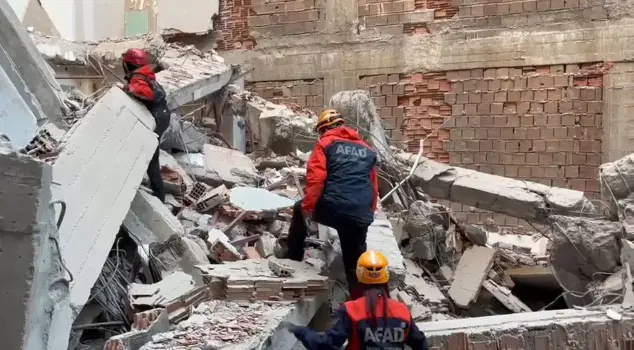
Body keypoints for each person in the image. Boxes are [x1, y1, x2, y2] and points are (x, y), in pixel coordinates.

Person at [286, 109, 379, 300]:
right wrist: (368, 213)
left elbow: (317, 178)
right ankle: (360, 304)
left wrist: (308, 208)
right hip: (360, 212)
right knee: (355, 262)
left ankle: (292, 258)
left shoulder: (325, 143)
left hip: (333, 207)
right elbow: (373, 186)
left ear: (325, 128)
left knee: (298, 208)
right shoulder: (367, 150)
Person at [283, 250, 429, 350]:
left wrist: (301, 331)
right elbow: (420, 344)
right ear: (386, 276)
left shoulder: (351, 310)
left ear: (359, 276)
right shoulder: (402, 311)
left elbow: (326, 345)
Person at [119, 48, 170, 203]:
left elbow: (145, 93)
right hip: (162, 116)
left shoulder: (138, 78)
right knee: (149, 156)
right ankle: (158, 195)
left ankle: (160, 199)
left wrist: (128, 88)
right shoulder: (146, 73)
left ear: (127, 64)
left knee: (150, 159)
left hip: (156, 118)